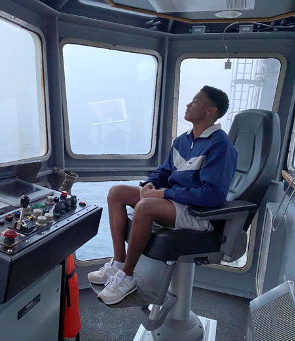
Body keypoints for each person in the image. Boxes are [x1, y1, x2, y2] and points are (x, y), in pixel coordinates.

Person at [88, 86, 238, 305]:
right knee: (116, 193)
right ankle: (118, 264)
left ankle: (127, 277)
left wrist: (164, 193)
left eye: (195, 101)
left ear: (210, 111)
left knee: (145, 206)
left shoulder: (220, 145)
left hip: (199, 213)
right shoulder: (183, 140)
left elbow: (213, 196)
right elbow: (165, 172)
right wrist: (152, 183)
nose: (188, 104)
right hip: (175, 201)